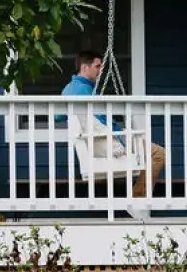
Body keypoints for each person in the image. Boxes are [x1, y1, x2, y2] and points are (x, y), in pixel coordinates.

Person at [62, 50, 167, 199]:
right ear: (85, 67)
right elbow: (99, 120)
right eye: (97, 66)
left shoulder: (68, 89)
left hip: (101, 140)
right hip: (111, 140)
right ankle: (138, 196)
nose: (101, 71)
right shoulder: (83, 89)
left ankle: (138, 194)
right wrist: (121, 134)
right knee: (158, 154)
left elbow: (59, 115)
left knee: (150, 153)